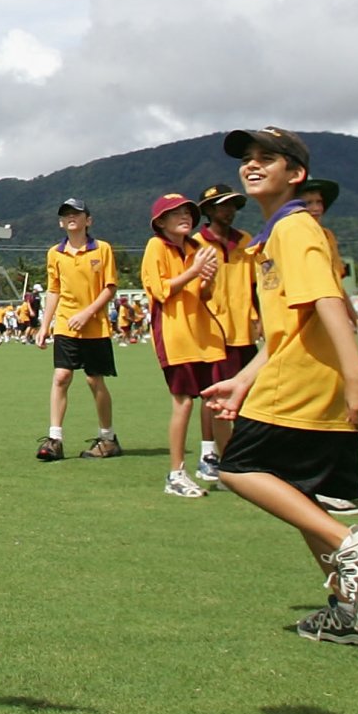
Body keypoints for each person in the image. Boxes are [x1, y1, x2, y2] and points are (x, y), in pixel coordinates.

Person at [206, 128, 358, 647]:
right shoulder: (275, 236)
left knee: (239, 469)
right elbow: (286, 326)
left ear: (295, 174)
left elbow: (327, 301)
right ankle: (354, 610)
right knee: (302, 495)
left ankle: (352, 545)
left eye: (267, 158)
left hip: (305, 381)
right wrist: (244, 378)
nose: (252, 165)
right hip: (311, 378)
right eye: (247, 159)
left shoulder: (295, 229)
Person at [140, 194, 226, 498]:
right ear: (160, 222)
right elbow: (161, 290)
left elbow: (202, 295)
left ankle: (226, 469)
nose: (185, 217)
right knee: (184, 401)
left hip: (204, 334)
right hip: (175, 335)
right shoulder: (156, 247)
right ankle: (176, 473)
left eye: (188, 212)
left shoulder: (197, 248)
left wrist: (209, 279)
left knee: (217, 401)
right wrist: (192, 273)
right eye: (175, 213)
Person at [32, 198, 119, 460]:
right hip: (66, 326)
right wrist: (44, 325)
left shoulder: (102, 249)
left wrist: (88, 312)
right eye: (66, 215)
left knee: (94, 380)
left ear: (87, 220)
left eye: (77, 214)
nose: (71, 218)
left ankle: (108, 438)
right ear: (61, 222)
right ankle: (55, 439)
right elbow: (54, 290)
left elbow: (110, 287)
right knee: (61, 377)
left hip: (94, 326)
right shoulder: (55, 253)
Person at [194, 184, 256, 484]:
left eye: (232, 205)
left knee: (247, 396)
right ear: (207, 210)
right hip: (213, 332)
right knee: (213, 397)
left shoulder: (246, 242)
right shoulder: (196, 244)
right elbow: (192, 293)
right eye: (221, 206)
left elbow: (256, 286)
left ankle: (239, 454)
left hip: (245, 331)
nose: (228, 211)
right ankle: (209, 455)